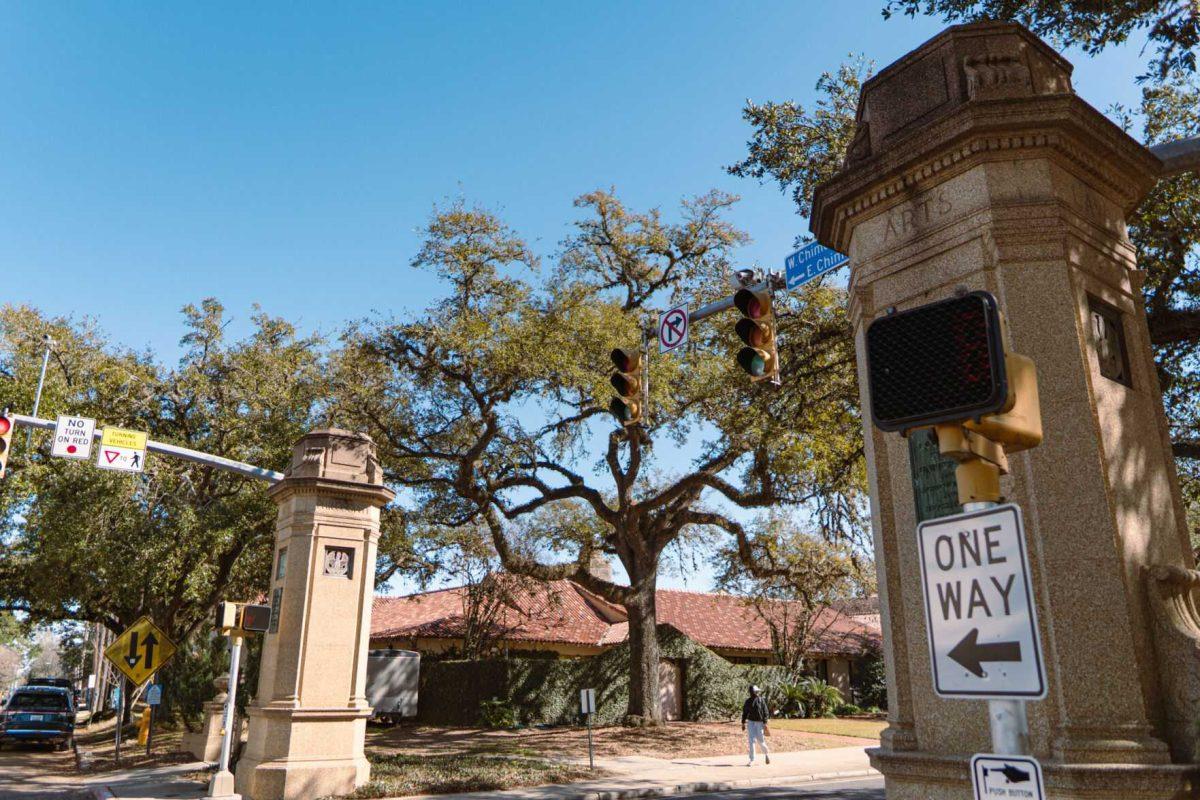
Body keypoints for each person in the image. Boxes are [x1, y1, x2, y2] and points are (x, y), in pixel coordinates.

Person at [740, 684, 771, 766]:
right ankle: (752, 759)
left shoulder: (761, 700)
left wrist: (765, 723)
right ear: (751, 692)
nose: (757, 692)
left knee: (761, 741)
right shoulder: (748, 701)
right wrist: (743, 722)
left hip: (760, 723)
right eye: (755, 691)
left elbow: (766, 712)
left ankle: (766, 753)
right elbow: (745, 713)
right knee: (751, 741)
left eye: (757, 691)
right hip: (751, 722)